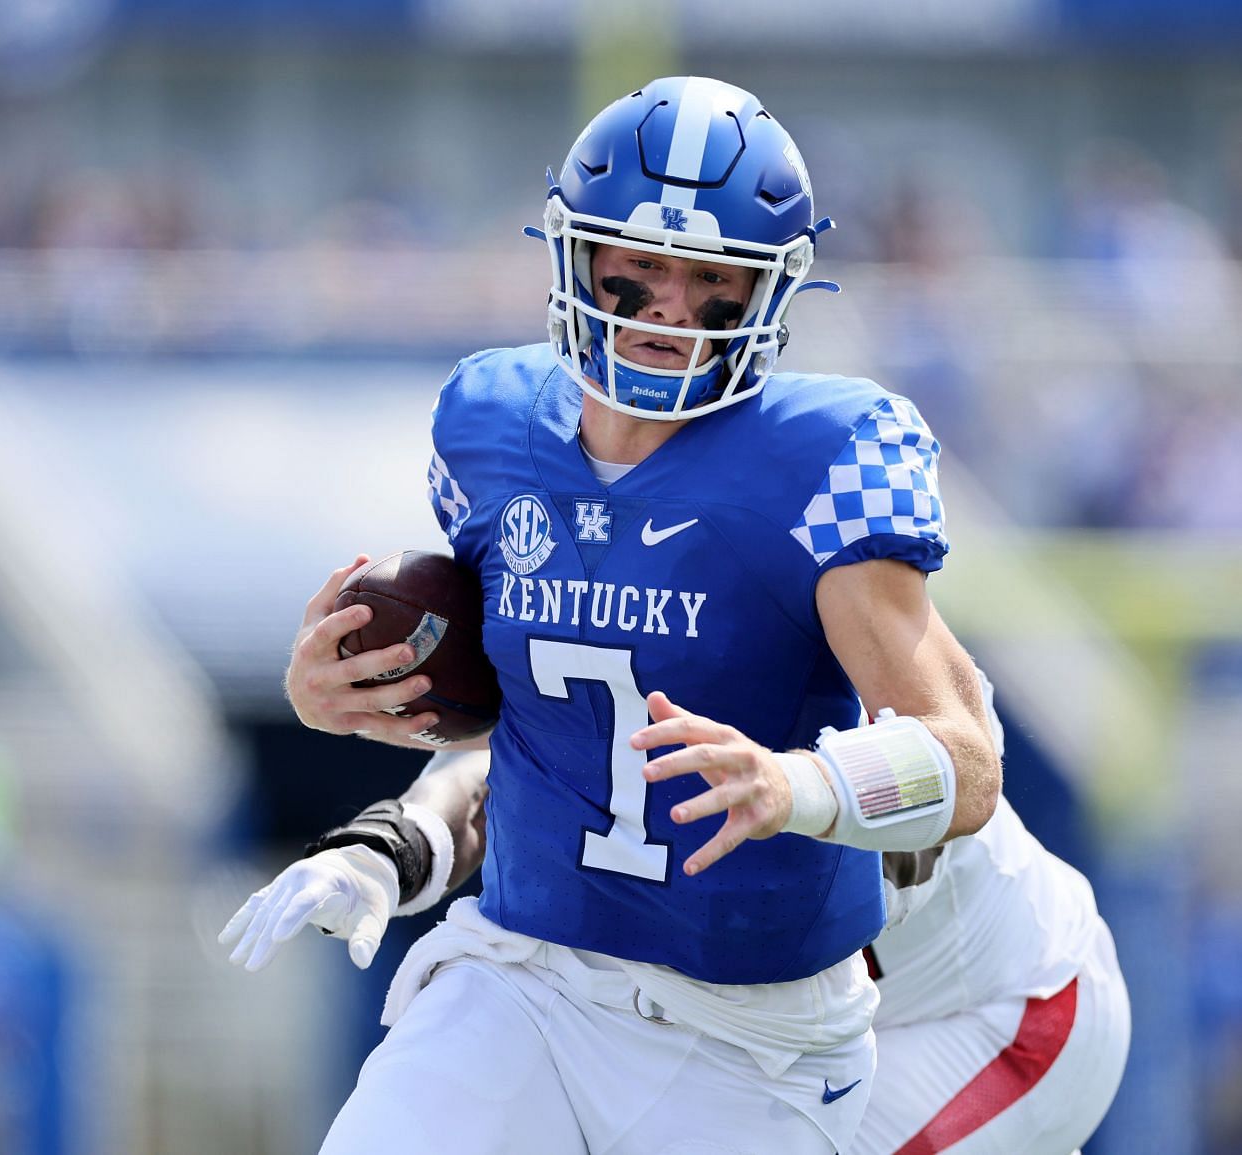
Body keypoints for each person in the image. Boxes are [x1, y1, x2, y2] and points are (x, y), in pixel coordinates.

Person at [238, 76, 1001, 1154]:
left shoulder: (824, 456)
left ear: (768, 293)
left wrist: (795, 783)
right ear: (575, 256)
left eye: (709, 280)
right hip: (526, 981)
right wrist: (357, 720)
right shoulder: (489, 425)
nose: (669, 310)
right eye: (637, 272)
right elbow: (529, 731)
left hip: (753, 1038)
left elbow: (966, 765)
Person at [226, 671, 1130, 1154]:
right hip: (815, 1034)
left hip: (1013, 1013)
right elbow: (506, 784)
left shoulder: (848, 712)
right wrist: (394, 843)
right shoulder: (672, 654)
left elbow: (938, 780)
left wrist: (807, 790)